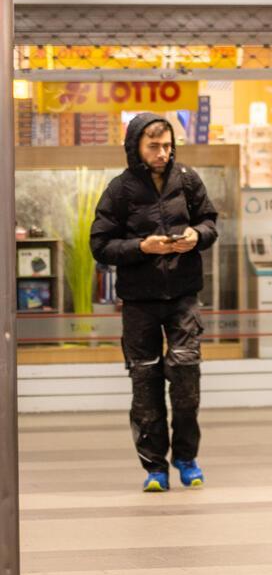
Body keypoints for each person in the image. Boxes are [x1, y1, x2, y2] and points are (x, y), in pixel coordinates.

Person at [89, 113, 219, 493]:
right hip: (139, 302)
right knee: (144, 382)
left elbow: (211, 222)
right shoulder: (120, 189)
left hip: (183, 296)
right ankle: (154, 468)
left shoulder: (189, 180)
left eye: (167, 145)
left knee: (185, 379)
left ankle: (186, 458)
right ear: (136, 148)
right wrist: (140, 247)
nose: (163, 153)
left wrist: (198, 235)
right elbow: (100, 245)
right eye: (154, 146)